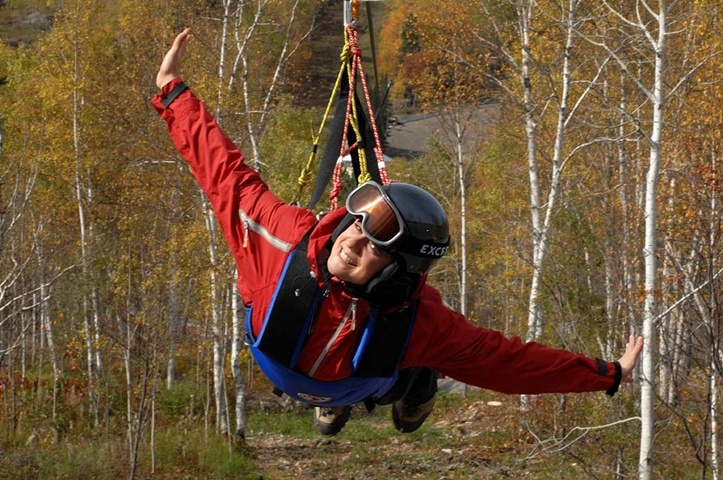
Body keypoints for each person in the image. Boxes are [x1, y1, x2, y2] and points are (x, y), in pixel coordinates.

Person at [152, 28, 644, 437]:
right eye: (359, 221)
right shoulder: (282, 241)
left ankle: (404, 395)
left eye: (375, 246)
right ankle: (349, 401)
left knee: (425, 357)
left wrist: (606, 375)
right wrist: (174, 92)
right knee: (415, 356)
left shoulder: (421, 318)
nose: (353, 239)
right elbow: (224, 173)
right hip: (304, 370)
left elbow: (509, 363)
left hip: (356, 381)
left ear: (396, 273)